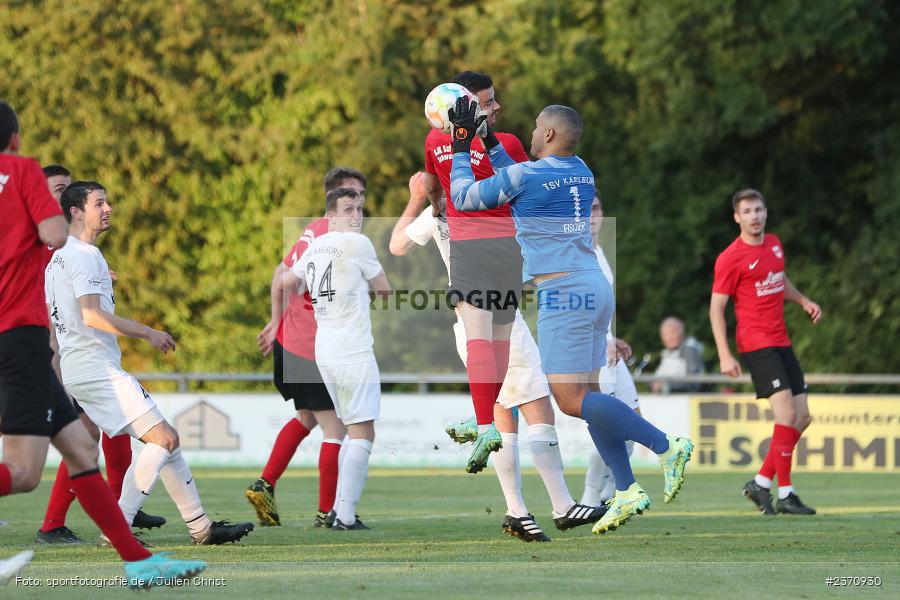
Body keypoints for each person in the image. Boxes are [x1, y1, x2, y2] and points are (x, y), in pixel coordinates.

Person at [449, 100, 694, 534]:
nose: (529, 132)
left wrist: (463, 143)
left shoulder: (528, 175)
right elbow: (519, 176)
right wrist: (489, 140)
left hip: (563, 292)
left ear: (547, 135)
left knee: (568, 399)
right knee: (592, 395)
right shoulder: (580, 168)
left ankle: (665, 445)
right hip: (593, 283)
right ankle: (626, 489)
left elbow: (465, 197)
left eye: (536, 126)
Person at [0, 99, 204, 588]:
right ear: (14, 141)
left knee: (80, 450)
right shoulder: (22, 172)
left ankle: (136, 559)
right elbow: (51, 234)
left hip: (47, 353)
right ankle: (133, 553)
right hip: (21, 337)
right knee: (25, 472)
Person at [391, 173, 604, 541]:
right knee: (538, 406)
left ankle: (517, 511)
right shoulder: (487, 206)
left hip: (468, 324)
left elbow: (396, 245)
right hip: (499, 318)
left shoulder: (437, 214)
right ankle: (562, 504)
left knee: (504, 415)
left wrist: (415, 199)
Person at [45, 180, 253, 545]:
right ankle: (118, 529)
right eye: (99, 203)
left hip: (82, 368)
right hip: (96, 369)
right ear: (75, 211)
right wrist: (149, 333)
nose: (108, 208)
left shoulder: (59, 256)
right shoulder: (83, 254)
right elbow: (91, 316)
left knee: (164, 439)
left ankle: (200, 526)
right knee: (164, 438)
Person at [35, 164, 165, 546]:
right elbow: (66, 310)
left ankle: (113, 506)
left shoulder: (69, 249)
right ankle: (103, 513)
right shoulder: (49, 247)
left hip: (73, 355)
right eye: (58, 188)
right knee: (68, 442)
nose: (62, 193)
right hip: (62, 353)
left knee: (97, 433)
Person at [247, 167, 366, 528]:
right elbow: (280, 279)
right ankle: (328, 512)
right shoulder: (323, 233)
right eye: (350, 196)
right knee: (338, 430)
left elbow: (280, 277)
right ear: (332, 200)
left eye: (361, 197)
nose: (358, 205)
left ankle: (264, 485)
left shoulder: (328, 233)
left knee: (307, 418)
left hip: (298, 343)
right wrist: (276, 321)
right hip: (309, 347)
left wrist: (275, 321)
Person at [424, 71, 530, 473]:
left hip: (469, 246)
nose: (496, 107)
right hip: (509, 248)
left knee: (477, 338)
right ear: (466, 106)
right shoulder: (509, 144)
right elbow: (527, 186)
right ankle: (484, 417)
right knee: (499, 338)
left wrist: (438, 212)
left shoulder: (436, 140)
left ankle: (484, 422)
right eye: (487, 102)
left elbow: (434, 188)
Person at [281, 187, 390, 530]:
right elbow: (384, 289)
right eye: (347, 209)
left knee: (348, 429)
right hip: (352, 349)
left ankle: (337, 510)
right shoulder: (358, 244)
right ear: (330, 217)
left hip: (324, 349)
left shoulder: (313, 247)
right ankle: (344, 515)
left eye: (359, 208)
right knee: (363, 432)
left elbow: (287, 280)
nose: (356, 215)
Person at [710, 188, 821, 515]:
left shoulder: (773, 243)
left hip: (781, 340)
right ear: (737, 217)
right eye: (747, 211)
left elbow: (778, 279)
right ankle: (785, 493)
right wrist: (724, 353)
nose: (754, 216)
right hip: (757, 343)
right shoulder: (731, 257)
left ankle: (760, 483)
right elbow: (717, 308)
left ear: (765, 212)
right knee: (786, 416)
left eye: (758, 210)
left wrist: (803, 301)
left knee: (802, 418)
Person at [581, 195, 644, 506]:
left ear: (603, 214)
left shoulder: (600, 252)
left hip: (608, 350)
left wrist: (612, 337)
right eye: (584, 210)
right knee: (610, 428)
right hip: (592, 353)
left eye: (595, 209)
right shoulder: (573, 253)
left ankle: (608, 496)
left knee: (633, 427)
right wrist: (601, 340)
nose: (590, 216)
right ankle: (591, 498)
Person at [651, 316, 705, 393]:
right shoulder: (667, 353)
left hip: (683, 398)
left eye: (672, 333)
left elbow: (692, 381)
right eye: (665, 334)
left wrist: (665, 385)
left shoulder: (690, 351)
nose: (668, 338)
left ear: (681, 333)